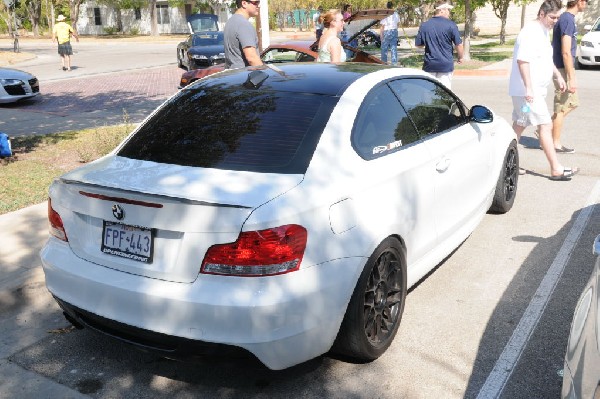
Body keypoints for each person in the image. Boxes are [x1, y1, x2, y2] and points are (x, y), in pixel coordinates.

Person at [509, 0, 579, 181]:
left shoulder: (543, 31)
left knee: (520, 123)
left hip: (530, 94)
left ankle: (506, 163)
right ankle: (556, 169)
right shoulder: (530, 32)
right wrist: (529, 89)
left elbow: (546, 59)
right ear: (542, 14)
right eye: (552, 17)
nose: (555, 21)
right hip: (528, 95)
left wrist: (558, 75)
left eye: (557, 17)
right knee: (545, 125)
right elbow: (522, 61)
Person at [550, 0, 588, 154]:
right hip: (562, 69)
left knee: (572, 103)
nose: (586, 5)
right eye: (586, 2)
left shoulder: (567, 19)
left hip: (564, 68)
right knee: (561, 106)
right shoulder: (567, 19)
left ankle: (547, 130)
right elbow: (566, 51)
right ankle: (555, 144)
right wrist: (571, 77)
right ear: (579, 2)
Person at [414, 0, 463, 89]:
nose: (449, 13)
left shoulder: (425, 25)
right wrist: (460, 57)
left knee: (429, 92)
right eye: (448, 10)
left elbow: (418, 45)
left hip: (429, 65)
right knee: (445, 93)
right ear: (442, 10)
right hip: (445, 65)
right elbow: (458, 45)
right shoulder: (451, 25)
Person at [223, 0, 263, 70]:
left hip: (232, 75)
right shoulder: (243, 24)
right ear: (244, 3)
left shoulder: (230, 22)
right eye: (256, 3)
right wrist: (267, 74)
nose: (258, 6)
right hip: (244, 76)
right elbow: (251, 58)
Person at [380, 1, 400, 66]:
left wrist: (381, 36)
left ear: (387, 6)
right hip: (394, 31)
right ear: (392, 6)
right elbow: (398, 24)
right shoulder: (396, 14)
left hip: (386, 31)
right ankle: (394, 63)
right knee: (393, 47)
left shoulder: (385, 14)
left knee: (384, 48)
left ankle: (384, 63)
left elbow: (382, 26)